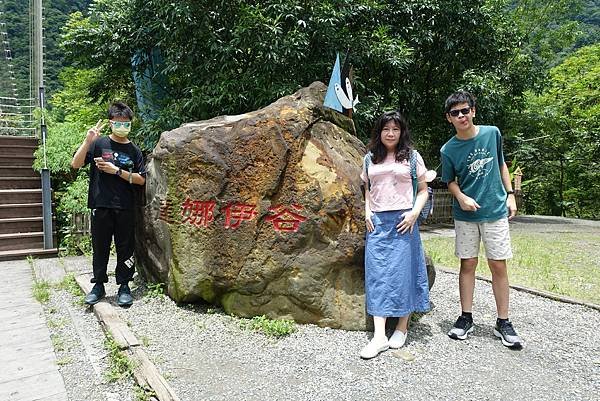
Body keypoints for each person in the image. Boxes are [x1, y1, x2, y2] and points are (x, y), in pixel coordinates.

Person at [440, 91, 522, 349]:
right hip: (466, 215)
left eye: (465, 110)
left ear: (473, 111)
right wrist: (461, 197)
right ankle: (466, 317)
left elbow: (501, 164)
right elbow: (449, 181)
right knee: (468, 264)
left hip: (495, 210)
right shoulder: (448, 149)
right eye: (456, 113)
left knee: (498, 265)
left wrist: (510, 195)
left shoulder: (491, 133)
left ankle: (503, 321)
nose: (462, 116)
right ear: (449, 118)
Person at [359, 110, 431, 359]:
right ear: (379, 132)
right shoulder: (370, 158)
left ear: (402, 132)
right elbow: (367, 188)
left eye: (395, 129)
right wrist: (367, 211)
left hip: (404, 220)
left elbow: (423, 190)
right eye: (386, 129)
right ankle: (379, 336)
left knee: (404, 273)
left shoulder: (412, 157)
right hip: (377, 221)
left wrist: (413, 214)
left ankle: (402, 326)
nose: (390, 133)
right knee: (377, 274)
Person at [71, 101, 146, 307]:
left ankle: (124, 286)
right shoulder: (98, 144)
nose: (122, 126)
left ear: (131, 123)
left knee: (125, 247)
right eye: (118, 122)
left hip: (125, 206)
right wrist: (87, 141)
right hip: (100, 204)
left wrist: (117, 171)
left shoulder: (134, 150)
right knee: (100, 247)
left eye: (126, 123)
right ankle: (98, 285)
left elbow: (141, 179)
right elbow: (75, 164)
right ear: (111, 122)